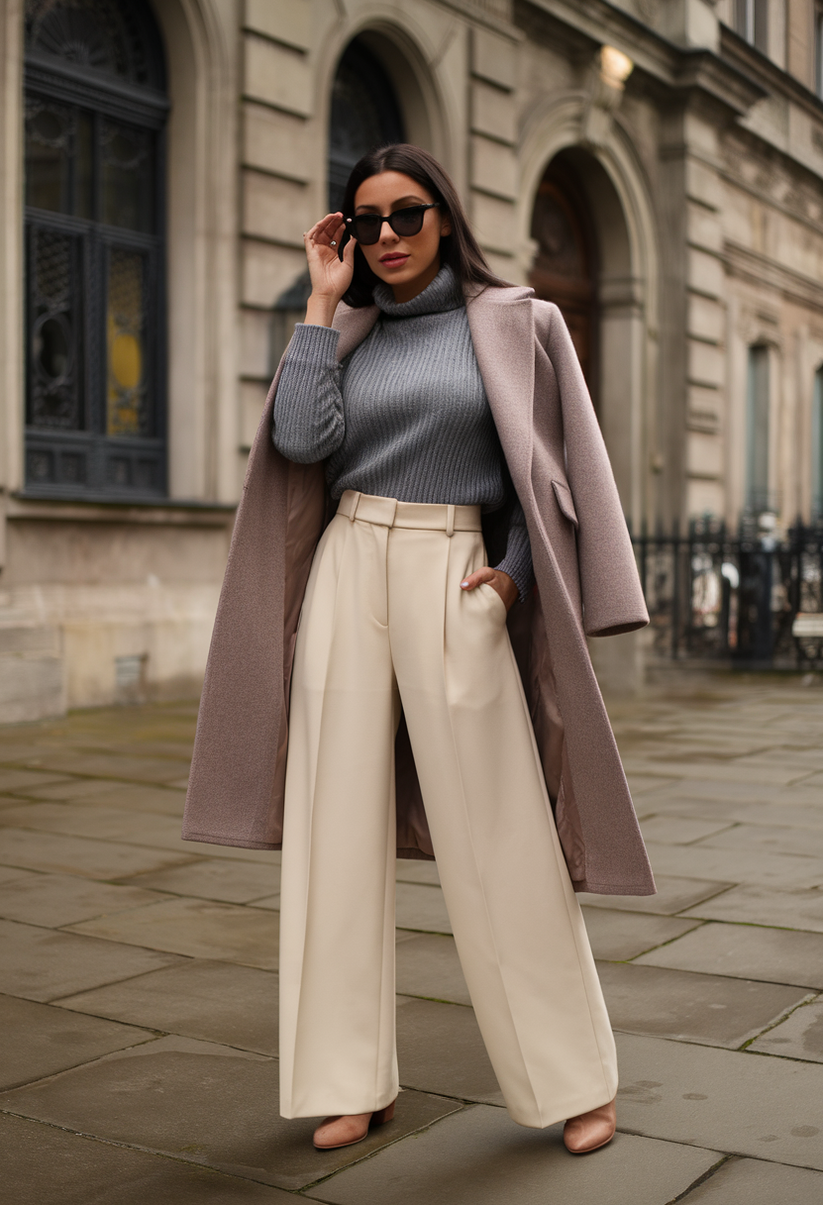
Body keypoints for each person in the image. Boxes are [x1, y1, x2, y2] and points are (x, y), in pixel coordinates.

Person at [181, 144, 655, 1156]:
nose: (385, 237)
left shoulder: (519, 322)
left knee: (502, 836)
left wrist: (512, 574)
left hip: (456, 571)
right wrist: (317, 307)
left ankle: (573, 1081)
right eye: (364, 221)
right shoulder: (341, 334)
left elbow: (550, 476)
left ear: (443, 217)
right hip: (347, 568)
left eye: (404, 215)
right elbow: (303, 444)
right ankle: (348, 1079)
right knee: (331, 837)